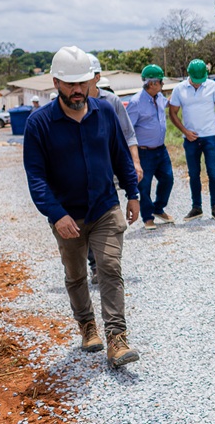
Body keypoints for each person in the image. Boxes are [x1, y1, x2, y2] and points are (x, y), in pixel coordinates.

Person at [22, 46, 141, 367]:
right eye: (70, 84)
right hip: (66, 215)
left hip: (104, 207)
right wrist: (56, 214)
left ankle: (116, 338)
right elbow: (36, 178)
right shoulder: (39, 124)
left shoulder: (105, 112)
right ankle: (87, 325)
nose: (77, 90)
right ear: (56, 82)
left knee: (110, 268)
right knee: (75, 275)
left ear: (91, 81)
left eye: (82, 83)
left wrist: (132, 193)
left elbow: (120, 156)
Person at [86, 55, 142, 284]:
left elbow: (128, 134)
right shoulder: (70, 106)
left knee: (108, 216)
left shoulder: (111, 103)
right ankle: (95, 265)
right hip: (84, 176)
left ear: (97, 77)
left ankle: (107, 264)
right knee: (87, 219)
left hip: (109, 172)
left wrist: (135, 163)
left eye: (86, 77)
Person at [168, 59, 215, 221]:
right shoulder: (179, 89)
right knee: (194, 174)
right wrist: (185, 131)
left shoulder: (213, 87)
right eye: (195, 80)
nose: (198, 83)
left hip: (210, 136)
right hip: (190, 138)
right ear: (189, 75)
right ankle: (196, 207)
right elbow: (172, 113)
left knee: (213, 172)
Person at [126, 65, 175, 230]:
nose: (163, 84)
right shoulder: (136, 103)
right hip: (144, 152)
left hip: (161, 150)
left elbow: (168, 104)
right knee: (144, 185)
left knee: (168, 179)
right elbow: (128, 130)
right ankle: (147, 217)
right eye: (161, 81)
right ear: (153, 83)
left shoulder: (159, 97)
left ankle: (158, 208)